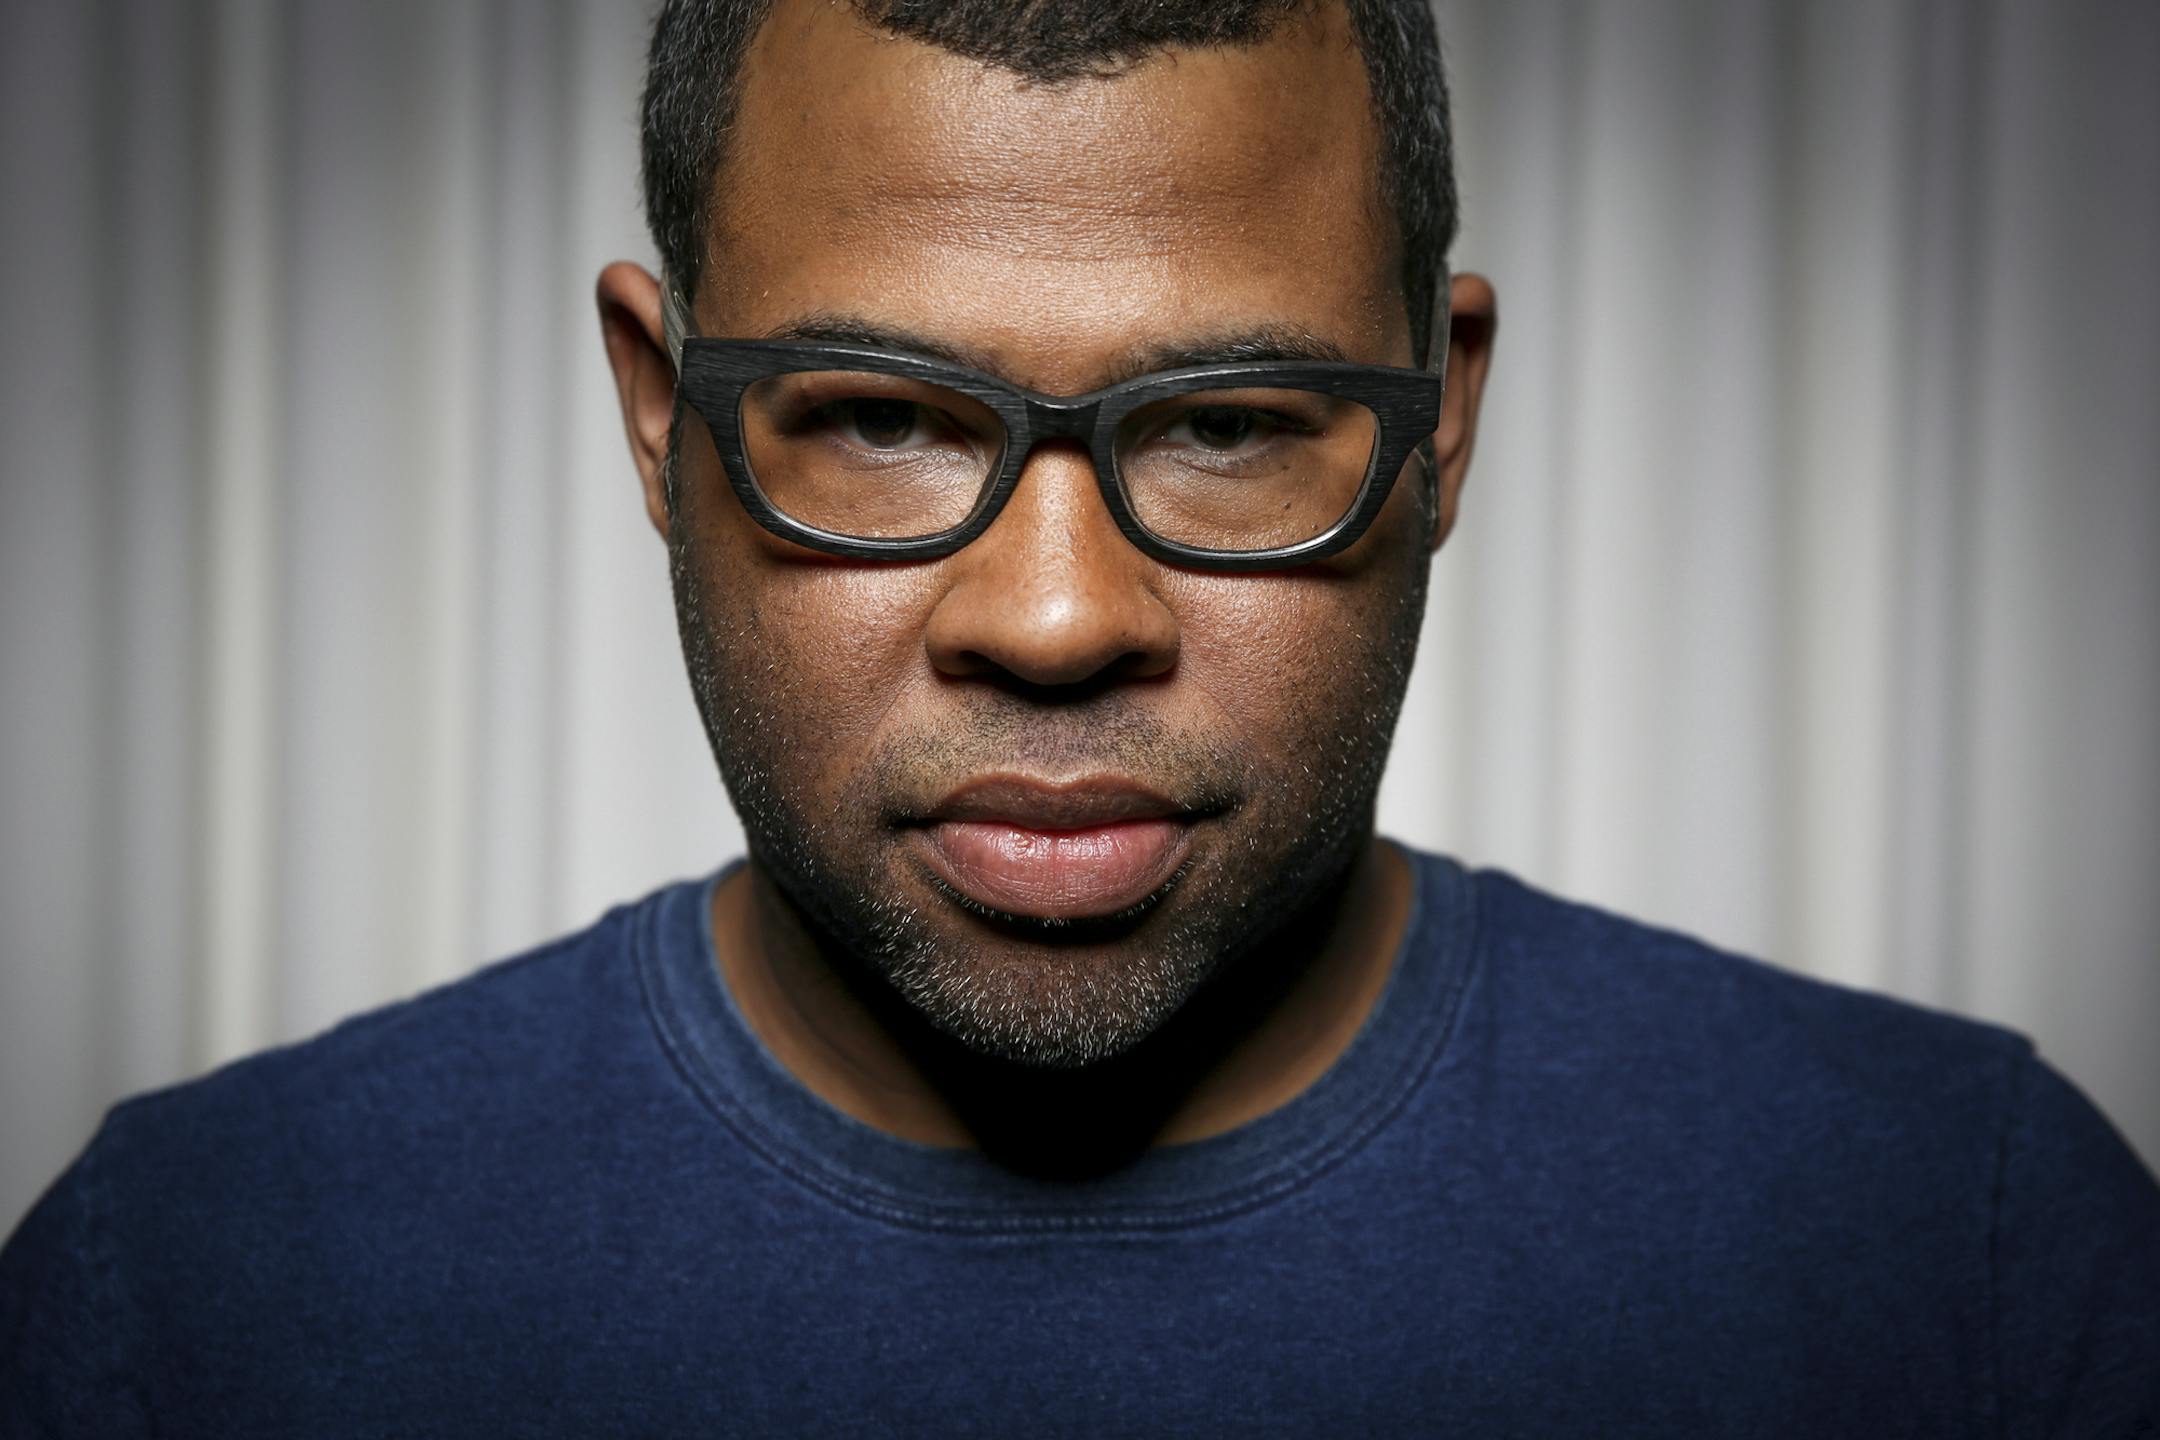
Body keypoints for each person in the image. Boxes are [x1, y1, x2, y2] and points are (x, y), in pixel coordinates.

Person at [3, 0, 2156, 1431]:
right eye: (874, 421)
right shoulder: (186, 1305)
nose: (1052, 621)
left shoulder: (1962, 1262)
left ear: (1442, 431)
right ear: (661, 421)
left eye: (1226, 421)